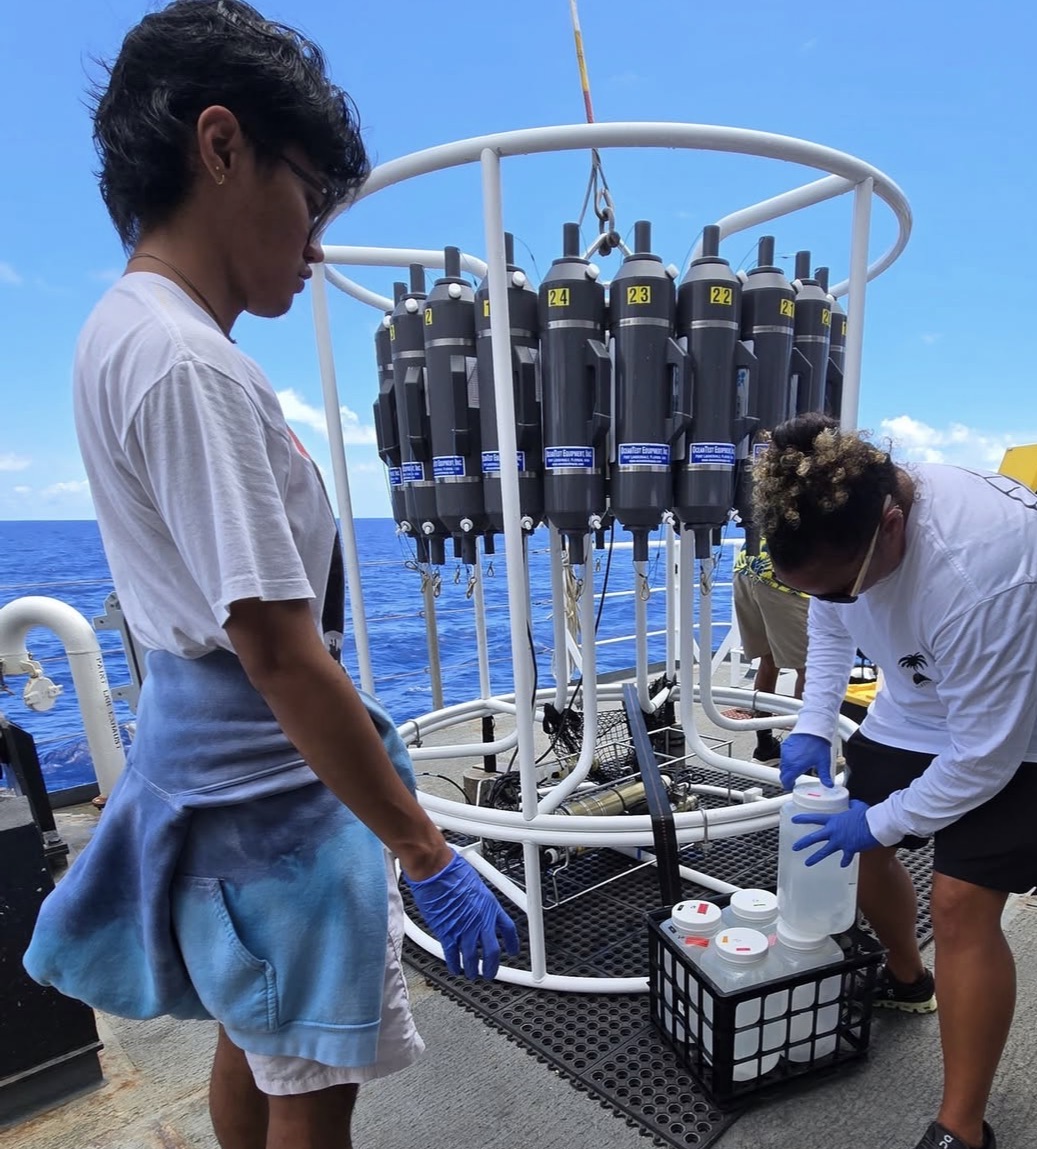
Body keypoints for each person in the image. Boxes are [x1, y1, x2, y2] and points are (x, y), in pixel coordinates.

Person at [23, 4, 518, 1147]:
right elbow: (281, 654)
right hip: (272, 820)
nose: (317, 241)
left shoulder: (127, 329)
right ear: (221, 145)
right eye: (309, 196)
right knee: (310, 1080)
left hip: (222, 787)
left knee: (255, 1041)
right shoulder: (187, 362)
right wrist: (423, 848)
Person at [755, 413, 1037, 1149]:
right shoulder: (842, 534)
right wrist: (811, 723)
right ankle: (905, 977)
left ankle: (962, 1127)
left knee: (958, 903)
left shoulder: (987, 568)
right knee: (850, 843)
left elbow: (987, 756)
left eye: (838, 588)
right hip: (919, 691)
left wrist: (882, 818)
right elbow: (831, 624)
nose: (830, 602)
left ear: (891, 524)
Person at [730, 536, 810, 762]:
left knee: (769, 660)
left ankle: (765, 746)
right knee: (809, 668)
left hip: (748, 566)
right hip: (782, 576)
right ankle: (801, 753)